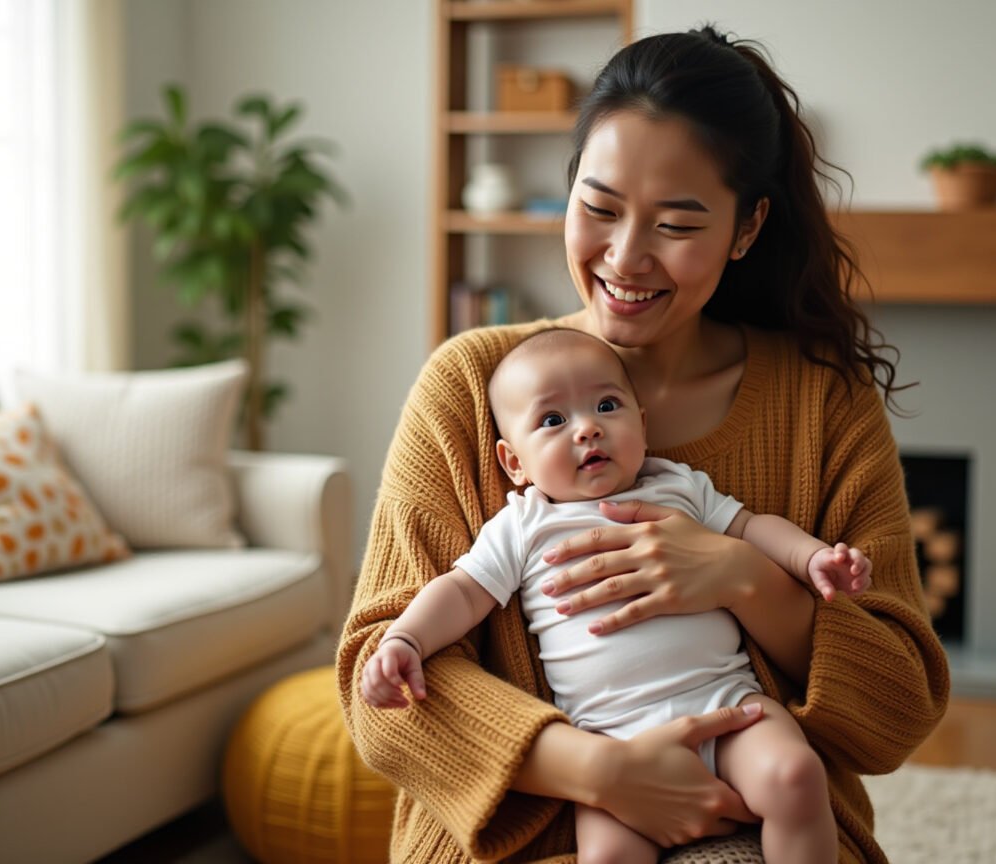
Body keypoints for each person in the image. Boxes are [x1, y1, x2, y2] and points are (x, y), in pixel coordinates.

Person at [338, 24, 949, 864]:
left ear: (746, 228)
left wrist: (742, 577)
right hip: (515, 833)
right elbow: (378, 685)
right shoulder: (471, 387)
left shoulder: (822, 401)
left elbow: (899, 705)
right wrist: (602, 773)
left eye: (676, 225)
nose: (625, 258)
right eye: (598, 209)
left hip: (756, 818)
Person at [361, 327, 872, 863]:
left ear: (642, 426)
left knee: (796, 775)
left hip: (727, 705)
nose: (588, 428)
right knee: (607, 856)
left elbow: (751, 527)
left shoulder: (677, 486)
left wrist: (811, 557)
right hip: (607, 739)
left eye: (607, 406)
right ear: (514, 463)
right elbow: (463, 592)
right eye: (552, 420)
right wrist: (406, 639)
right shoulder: (524, 525)